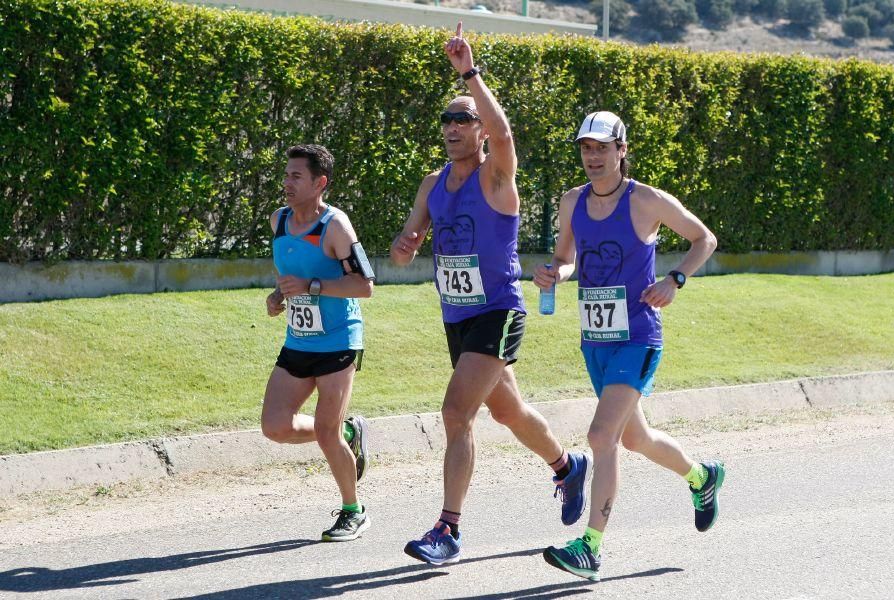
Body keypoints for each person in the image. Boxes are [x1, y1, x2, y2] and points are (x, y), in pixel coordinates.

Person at [391, 23, 591, 565]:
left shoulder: (497, 177)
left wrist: (469, 74)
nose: (452, 126)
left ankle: (448, 530)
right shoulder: (432, 183)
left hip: (498, 311)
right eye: (447, 119)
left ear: (480, 130)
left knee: (457, 413)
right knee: (509, 412)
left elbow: (505, 137)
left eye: (463, 119)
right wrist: (406, 245)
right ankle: (568, 467)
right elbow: (405, 241)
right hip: (456, 316)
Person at [533, 111, 724, 581]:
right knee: (635, 438)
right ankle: (703, 477)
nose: (592, 156)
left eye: (602, 147)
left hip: (638, 336)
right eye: (585, 148)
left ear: (622, 150)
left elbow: (704, 238)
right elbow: (565, 258)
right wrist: (553, 273)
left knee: (602, 437)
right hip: (595, 339)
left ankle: (591, 547)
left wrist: (675, 279)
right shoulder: (572, 201)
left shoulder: (646, 201)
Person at [262, 144, 376, 542]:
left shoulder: (335, 226)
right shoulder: (278, 221)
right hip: (299, 340)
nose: (287, 183)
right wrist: (279, 298)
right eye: (287, 175)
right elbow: (287, 277)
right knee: (274, 426)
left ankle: (353, 510)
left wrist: (313, 286)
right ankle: (348, 434)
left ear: (319, 183)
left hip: (339, 340)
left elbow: (364, 286)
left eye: (296, 176)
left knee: (325, 432)